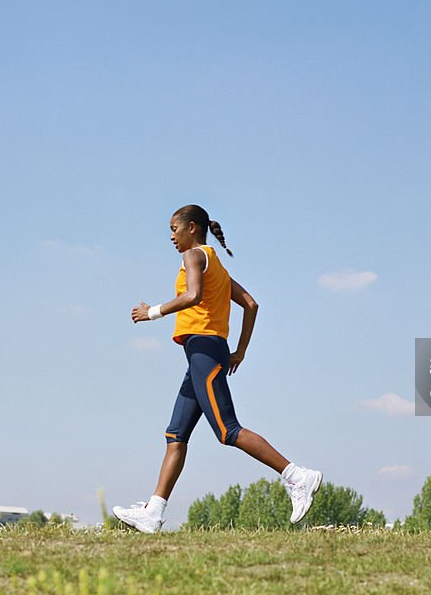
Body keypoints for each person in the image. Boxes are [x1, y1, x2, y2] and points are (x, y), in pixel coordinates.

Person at [112, 204, 322, 533]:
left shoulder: (195, 256)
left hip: (205, 352)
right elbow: (251, 304)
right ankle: (153, 511)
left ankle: (298, 476)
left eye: (174, 229)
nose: (171, 236)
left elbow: (194, 296)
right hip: (206, 354)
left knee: (228, 431)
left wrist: (152, 312)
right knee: (175, 435)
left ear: (192, 228)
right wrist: (240, 351)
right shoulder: (217, 265)